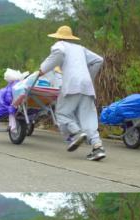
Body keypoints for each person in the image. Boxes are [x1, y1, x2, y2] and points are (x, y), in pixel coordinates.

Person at [39, 26, 105, 161]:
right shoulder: (80, 49)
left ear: (58, 37)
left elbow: (58, 54)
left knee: (62, 113)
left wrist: (42, 69)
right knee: (88, 118)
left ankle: (76, 133)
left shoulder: (60, 45)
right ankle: (97, 147)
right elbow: (99, 60)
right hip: (87, 86)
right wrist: (89, 78)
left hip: (71, 84)